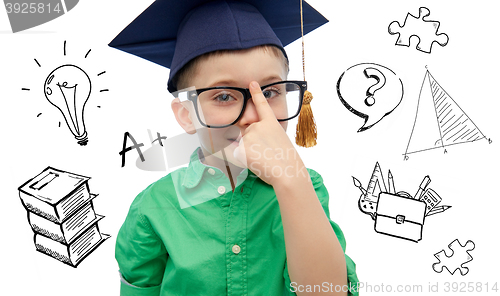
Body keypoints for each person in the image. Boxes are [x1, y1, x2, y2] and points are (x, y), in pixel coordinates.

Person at [110, 0, 359, 295]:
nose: (255, 115)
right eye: (224, 97)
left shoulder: (305, 188)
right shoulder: (152, 209)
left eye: (270, 92)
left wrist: (291, 179)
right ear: (186, 115)